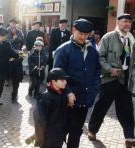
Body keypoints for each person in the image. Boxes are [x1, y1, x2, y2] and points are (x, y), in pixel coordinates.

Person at [87, 14, 135, 148]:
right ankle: (92, 130)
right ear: (118, 22)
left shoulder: (130, 39)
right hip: (110, 78)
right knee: (102, 106)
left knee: (127, 109)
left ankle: (130, 136)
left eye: (130, 22)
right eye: (125, 21)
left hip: (125, 79)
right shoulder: (109, 37)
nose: (128, 24)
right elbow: (100, 57)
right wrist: (110, 69)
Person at [53, 19, 101, 148]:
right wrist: (68, 92)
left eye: (87, 35)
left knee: (77, 130)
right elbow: (57, 74)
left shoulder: (93, 51)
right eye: (80, 33)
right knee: (62, 129)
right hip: (67, 99)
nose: (83, 37)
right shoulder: (63, 50)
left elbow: (97, 71)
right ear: (74, 31)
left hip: (84, 98)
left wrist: (95, 88)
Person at [33, 68, 73, 148]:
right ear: (54, 82)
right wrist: (40, 140)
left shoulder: (63, 94)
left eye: (65, 79)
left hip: (59, 135)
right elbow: (39, 120)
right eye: (62, 80)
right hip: (49, 138)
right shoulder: (46, 97)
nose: (65, 82)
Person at [6, 18, 24, 86]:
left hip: (16, 50)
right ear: (9, 24)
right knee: (8, 65)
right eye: (11, 23)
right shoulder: (6, 31)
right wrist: (13, 40)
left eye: (14, 23)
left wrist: (16, 39)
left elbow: (21, 39)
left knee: (15, 65)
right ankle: (7, 79)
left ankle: (13, 79)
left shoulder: (19, 31)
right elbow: (6, 40)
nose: (12, 24)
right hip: (8, 50)